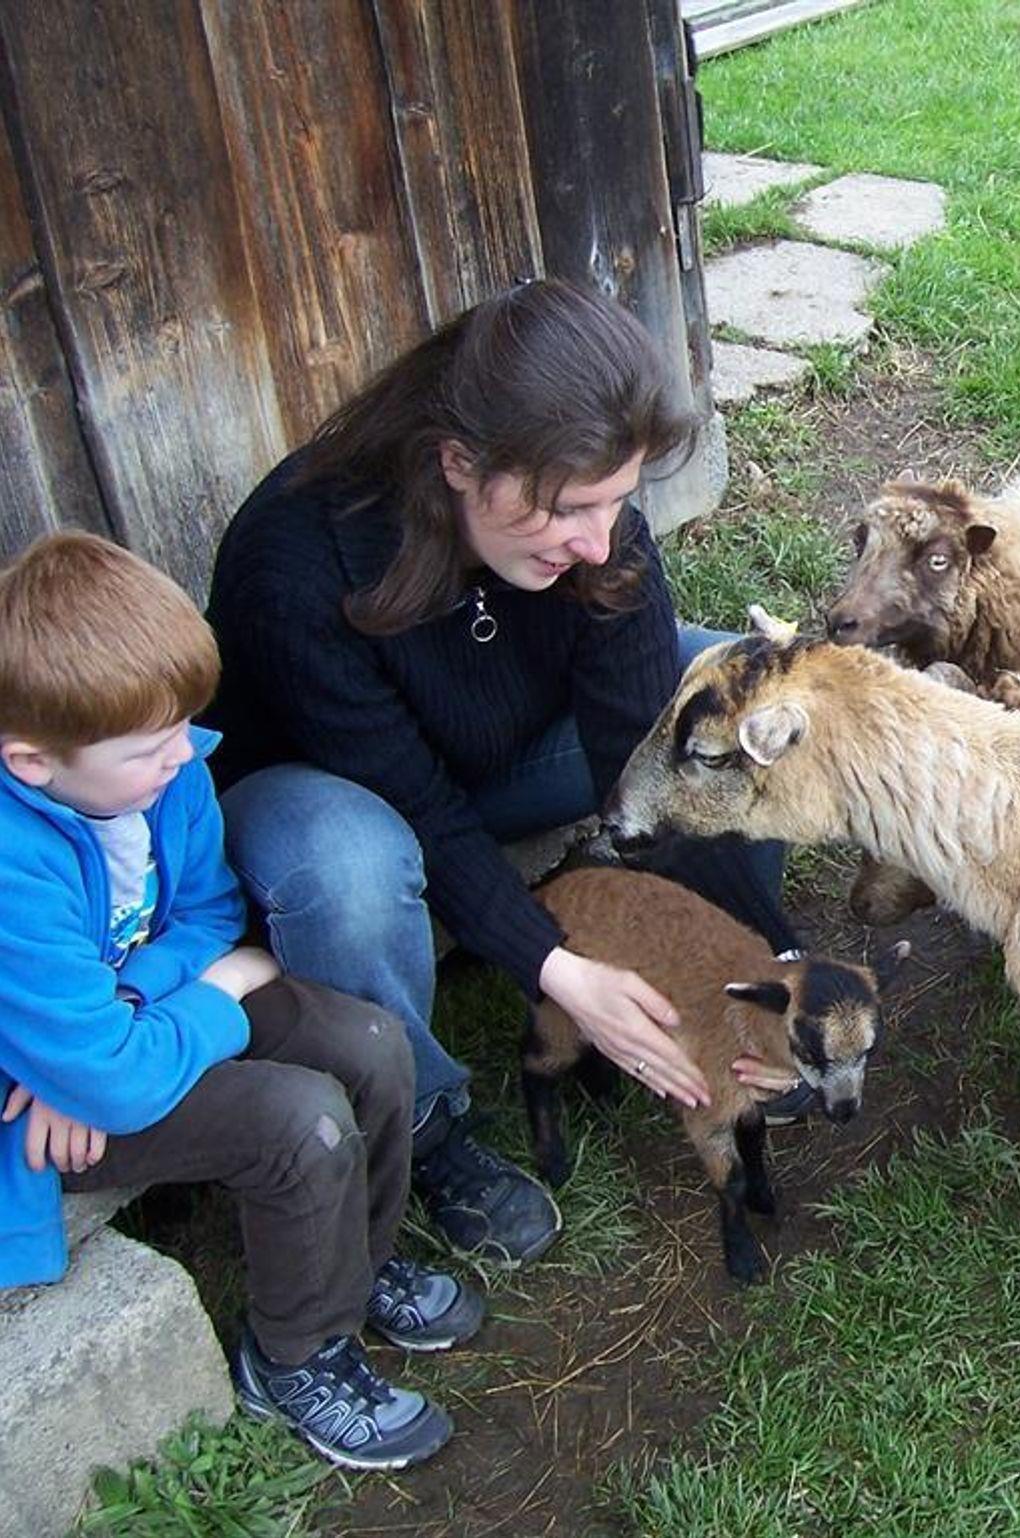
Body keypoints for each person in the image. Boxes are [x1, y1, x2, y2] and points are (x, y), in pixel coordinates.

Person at [204, 278, 804, 1267]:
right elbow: (420, 810)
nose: (600, 541)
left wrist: (774, 977)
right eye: (569, 510)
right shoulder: (297, 562)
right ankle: (426, 1125)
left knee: (731, 710)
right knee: (346, 863)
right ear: (459, 463)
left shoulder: (594, 524)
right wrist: (556, 966)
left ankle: (698, 1001)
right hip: (332, 793)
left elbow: (645, 759)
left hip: (503, 757)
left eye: (620, 500)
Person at [0, 532, 480, 1471]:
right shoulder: (14, 868)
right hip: (47, 1107)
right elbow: (118, 1079)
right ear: (32, 763)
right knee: (295, 1121)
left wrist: (135, 997)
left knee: (368, 1041)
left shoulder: (166, 773)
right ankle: (297, 1356)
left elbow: (211, 912)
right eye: (151, 748)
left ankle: (357, 1263)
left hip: (116, 1035)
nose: (185, 756)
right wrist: (199, 997)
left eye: (184, 727)